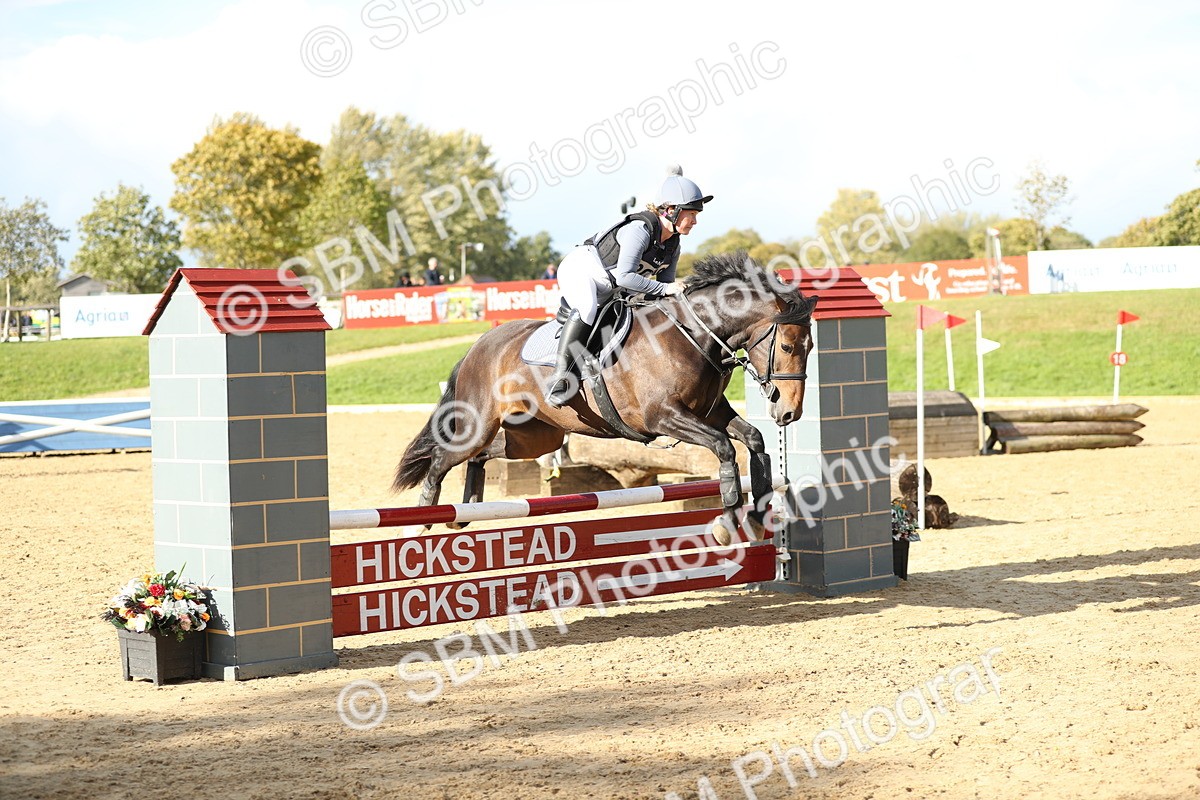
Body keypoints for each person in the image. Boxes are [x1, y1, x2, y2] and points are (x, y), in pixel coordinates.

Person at [544, 165, 711, 407]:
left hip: (614, 287)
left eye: (696, 215)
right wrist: (667, 289)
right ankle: (560, 377)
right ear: (672, 210)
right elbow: (626, 277)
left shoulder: (673, 245)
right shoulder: (639, 230)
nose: (695, 221)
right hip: (583, 270)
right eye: (692, 214)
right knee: (588, 307)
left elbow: (664, 287)